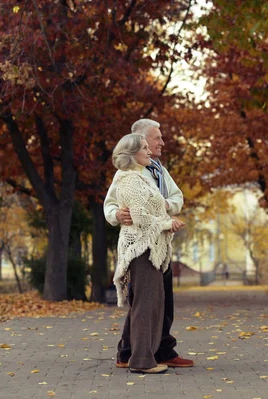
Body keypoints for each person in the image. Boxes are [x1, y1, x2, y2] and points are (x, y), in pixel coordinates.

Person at [104, 119, 194, 369]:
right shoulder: (128, 174)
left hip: (159, 244)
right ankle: (135, 354)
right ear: (140, 142)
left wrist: (164, 207)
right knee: (144, 301)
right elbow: (113, 204)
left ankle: (157, 349)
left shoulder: (158, 169)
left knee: (158, 301)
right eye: (156, 138)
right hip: (143, 244)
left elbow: (175, 197)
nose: (161, 142)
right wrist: (116, 215)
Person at [109, 133, 173, 374]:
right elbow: (142, 218)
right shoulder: (128, 180)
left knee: (153, 302)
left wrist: (167, 217)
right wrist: (168, 224)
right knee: (145, 305)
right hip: (141, 249)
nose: (149, 151)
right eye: (144, 147)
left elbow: (162, 205)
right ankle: (141, 361)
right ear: (132, 154)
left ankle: (145, 357)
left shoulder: (143, 177)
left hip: (152, 248)